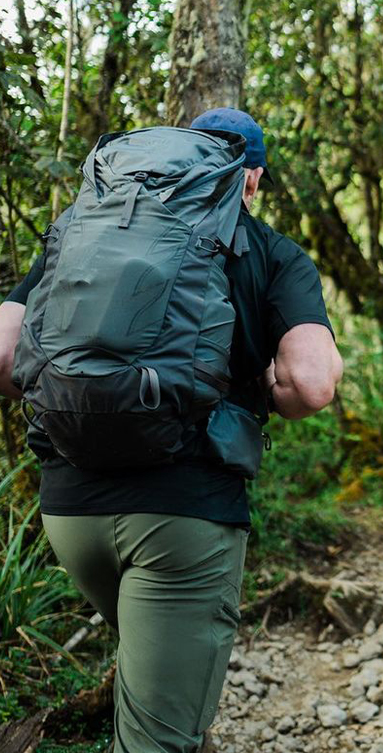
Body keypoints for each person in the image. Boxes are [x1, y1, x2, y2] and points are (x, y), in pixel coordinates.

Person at [0, 109, 343, 753]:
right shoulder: (273, 253)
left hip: (69, 506)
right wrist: (261, 386)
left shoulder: (89, 230)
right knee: (156, 739)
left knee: (162, 695)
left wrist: (81, 394)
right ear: (251, 177)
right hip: (184, 517)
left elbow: (3, 353)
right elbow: (311, 385)